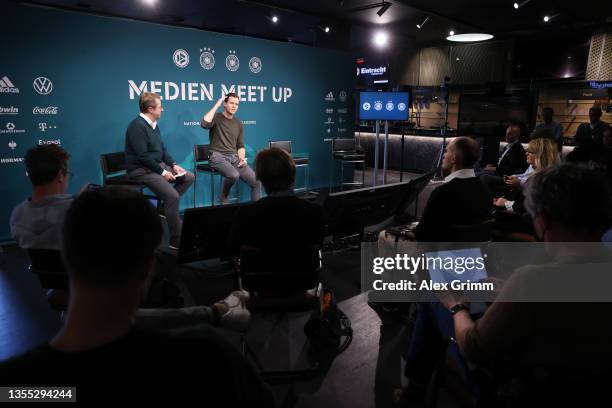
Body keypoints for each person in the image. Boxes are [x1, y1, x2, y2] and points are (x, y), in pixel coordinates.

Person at [0, 187, 273, 405]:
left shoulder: (17, 385)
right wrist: (215, 313)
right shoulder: (208, 360)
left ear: (67, 257)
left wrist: (212, 313)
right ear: (148, 267)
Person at [400, 164, 612, 406]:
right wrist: (508, 290)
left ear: (543, 220)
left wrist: (456, 306)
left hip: (515, 386)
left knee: (434, 296)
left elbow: (473, 347)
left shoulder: (533, 281)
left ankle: (414, 392)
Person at [125, 92, 194, 249]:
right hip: (140, 170)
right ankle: (176, 240)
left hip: (155, 167)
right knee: (173, 197)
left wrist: (174, 164)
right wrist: (163, 173)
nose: (162, 109)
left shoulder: (153, 125)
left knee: (188, 177)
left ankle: (163, 208)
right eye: (160, 107)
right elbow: (142, 156)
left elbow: (162, 149)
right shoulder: (137, 127)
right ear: (150, 109)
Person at [228, 147, 325, 254]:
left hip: (258, 269)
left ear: (261, 178)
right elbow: (317, 245)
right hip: (301, 270)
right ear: (292, 174)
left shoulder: (245, 214)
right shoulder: (315, 212)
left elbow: (234, 249)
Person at [414, 137, 492, 242]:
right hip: (475, 253)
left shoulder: (442, 192)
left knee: (384, 236)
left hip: (442, 254)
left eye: (446, 151)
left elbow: (422, 234)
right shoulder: (485, 190)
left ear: (453, 158)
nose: (443, 155)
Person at [10, 145, 84, 250]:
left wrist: (79, 202)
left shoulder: (17, 215)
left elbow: (48, 214)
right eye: (67, 174)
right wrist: (84, 203)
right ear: (60, 176)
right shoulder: (80, 212)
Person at [201, 93, 260, 204]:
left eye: (236, 104)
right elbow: (204, 124)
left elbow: (240, 145)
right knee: (234, 175)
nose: (234, 106)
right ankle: (223, 196)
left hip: (234, 158)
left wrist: (242, 158)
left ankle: (256, 212)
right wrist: (217, 105)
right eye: (231, 103)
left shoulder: (238, 123)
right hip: (217, 156)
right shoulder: (216, 118)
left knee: (256, 182)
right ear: (225, 104)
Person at [494, 137, 560, 212]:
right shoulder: (540, 172)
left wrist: (506, 203)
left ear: (540, 156)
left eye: (530, 152)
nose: (526, 153)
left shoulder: (545, 180)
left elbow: (531, 210)